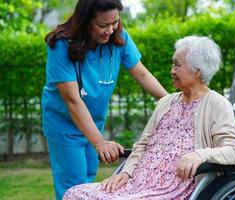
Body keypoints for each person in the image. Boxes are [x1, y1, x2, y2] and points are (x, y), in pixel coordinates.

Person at [63, 35, 235, 200]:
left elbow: (234, 150)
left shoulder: (217, 104)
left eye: (177, 65)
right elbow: (142, 145)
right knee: (74, 193)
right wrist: (125, 174)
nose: (172, 70)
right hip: (135, 184)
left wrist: (199, 155)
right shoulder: (166, 102)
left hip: (170, 190)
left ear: (197, 71)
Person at [41, 0, 168, 199]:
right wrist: (100, 143)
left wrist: (171, 101)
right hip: (64, 124)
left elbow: (142, 74)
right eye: (102, 25)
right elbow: (71, 99)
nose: (109, 30)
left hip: (93, 121)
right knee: (73, 186)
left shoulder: (119, 39)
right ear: (85, 21)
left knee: (88, 182)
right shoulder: (61, 44)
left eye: (114, 22)